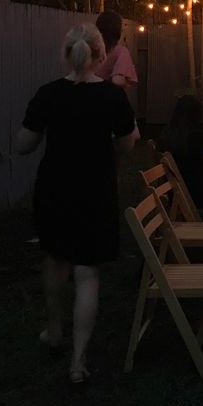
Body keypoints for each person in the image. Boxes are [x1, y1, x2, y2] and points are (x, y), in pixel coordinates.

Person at [15, 23, 138, 384]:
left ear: (66, 54)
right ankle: (78, 362)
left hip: (54, 190)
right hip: (95, 191)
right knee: (87, 274)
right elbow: (126, 143)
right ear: (101, 56)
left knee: (54, 262)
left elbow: (24, 145)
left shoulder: (49, 94)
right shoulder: (114, 98)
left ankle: (54, 331)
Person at [95, 10, 138, 88]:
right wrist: (126, 84)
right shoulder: (121, 52)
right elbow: (117, 80)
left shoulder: (92, 48)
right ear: (117, 30)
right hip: (109, 96)